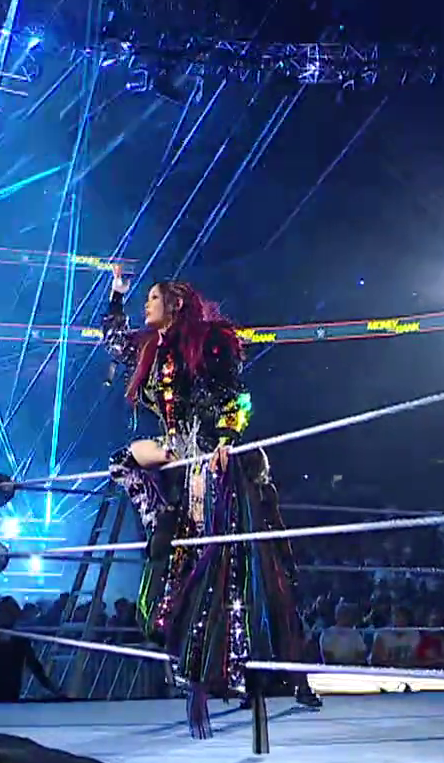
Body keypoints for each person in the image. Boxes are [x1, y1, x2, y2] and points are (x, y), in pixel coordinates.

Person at [102, 268, 320, 734]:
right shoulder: (151, 346)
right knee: (122, 463)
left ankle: (251, 672)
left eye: (153, 297)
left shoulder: (209, 341)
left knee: (231, 570)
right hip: (180, 450)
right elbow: (115, 341)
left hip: (212, 456)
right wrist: (116, 292)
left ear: (175, 304)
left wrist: (224, 438)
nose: (146, 304)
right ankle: (159, 517)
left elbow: (236, 396)